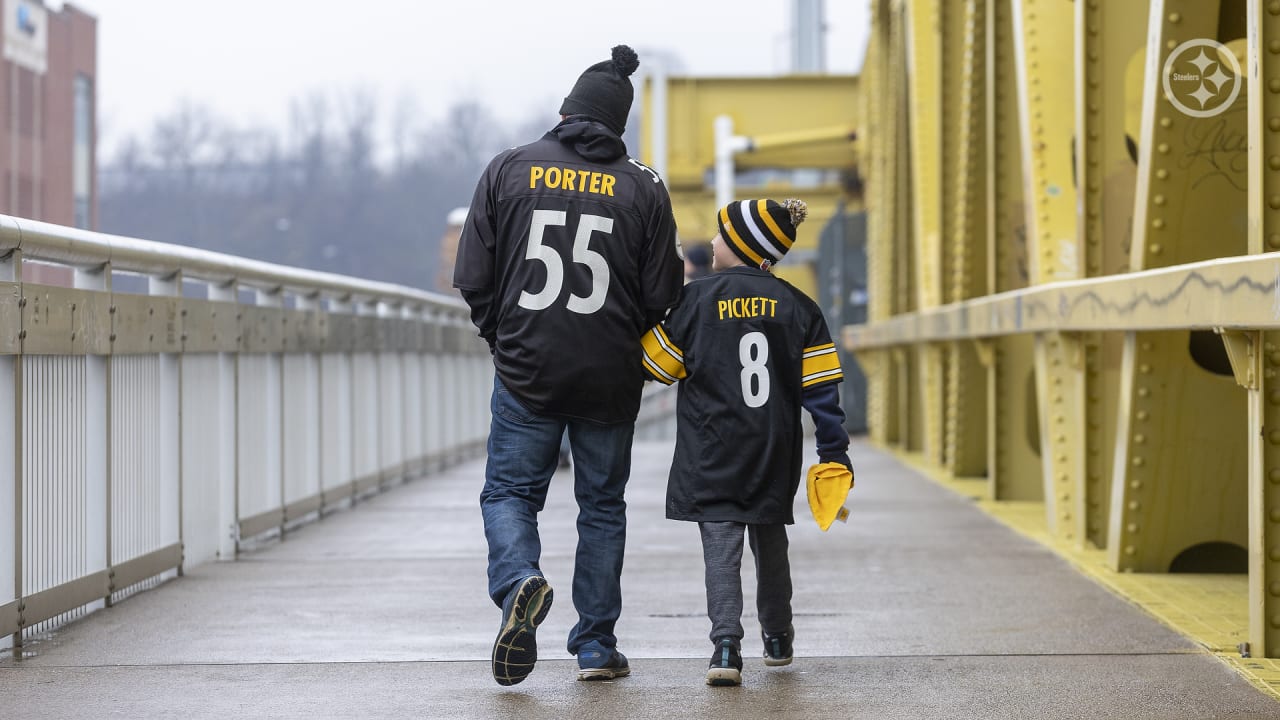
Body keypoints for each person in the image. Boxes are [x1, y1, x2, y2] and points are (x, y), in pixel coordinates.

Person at [453, 44, 684, 687]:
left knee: (509, 493)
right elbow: (666, 294)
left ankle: (520, 581)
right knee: (602, 507)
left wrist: (504, 339)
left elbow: (474, 277)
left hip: (527, 370)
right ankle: (594, 646)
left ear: (567, 112)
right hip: (610, 378)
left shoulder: (509, 168)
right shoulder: (645, 187)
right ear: (617, 124)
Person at [639, 198, 852, 687]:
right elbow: (821, 390)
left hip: (712, 449)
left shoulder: (695, 301)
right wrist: (833, 454)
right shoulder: (801, 307)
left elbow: (657, 367)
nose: (711, 243)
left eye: (719, 235)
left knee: (721, 550)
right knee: (770, 542)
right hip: (772, 449)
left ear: (739, 245)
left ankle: (726, 647)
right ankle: (778, 637)